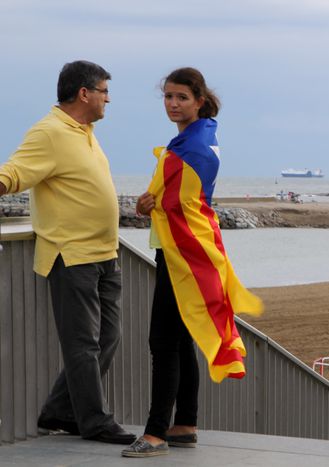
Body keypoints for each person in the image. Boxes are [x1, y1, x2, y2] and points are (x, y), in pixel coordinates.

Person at [123, 68, 263, 457]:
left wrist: (153, 201)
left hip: (183, 252)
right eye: (168, 97)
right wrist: (149, 202)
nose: (172, 104)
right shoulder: (195, 138)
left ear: (199, 100)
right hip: (179, 248)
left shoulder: (193, 146)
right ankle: (184, 423)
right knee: (180, 338)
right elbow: (171, 196)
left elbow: (181, 199)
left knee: (163, 341)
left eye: (181, 97)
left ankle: (155, 434)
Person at [0, 61, 135, 444]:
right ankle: (94, 421)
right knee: (83, 344)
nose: (108, 98)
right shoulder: (49, 132)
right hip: (71, 255)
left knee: (108, 336)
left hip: (105, 254)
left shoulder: (86, 131)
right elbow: (12, 174)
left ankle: (60, 410)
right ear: (84, 94)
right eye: (105, 91)